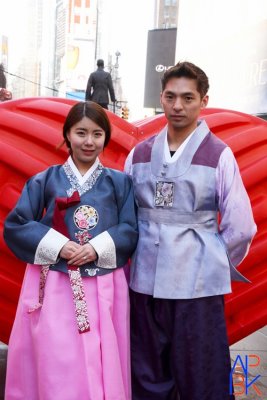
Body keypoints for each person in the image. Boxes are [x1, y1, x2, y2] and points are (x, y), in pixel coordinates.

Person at [124, 61, 257, 400]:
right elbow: (126, 213)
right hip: (143, 285)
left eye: (188, 97)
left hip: (196, 287)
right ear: (161, 98)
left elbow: (242, 226)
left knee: (201, 374)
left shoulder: (218, 154)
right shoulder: (139, 154)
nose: (178, 106)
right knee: (147, 371)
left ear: (204, 101)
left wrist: (211, 259)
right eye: (170, 97)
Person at [4, 101, 138, 400]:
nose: (89, 141)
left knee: (101, 351)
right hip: (55, 281)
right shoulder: (45, 179)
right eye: (81, 133)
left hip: (103, 283)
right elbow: (17, 225)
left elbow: (130, 229)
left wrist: (95, 247)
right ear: (67, 135)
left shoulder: (119, 183)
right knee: (56, 353)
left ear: (106, 138)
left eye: (97, 134)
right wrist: (60, 245)